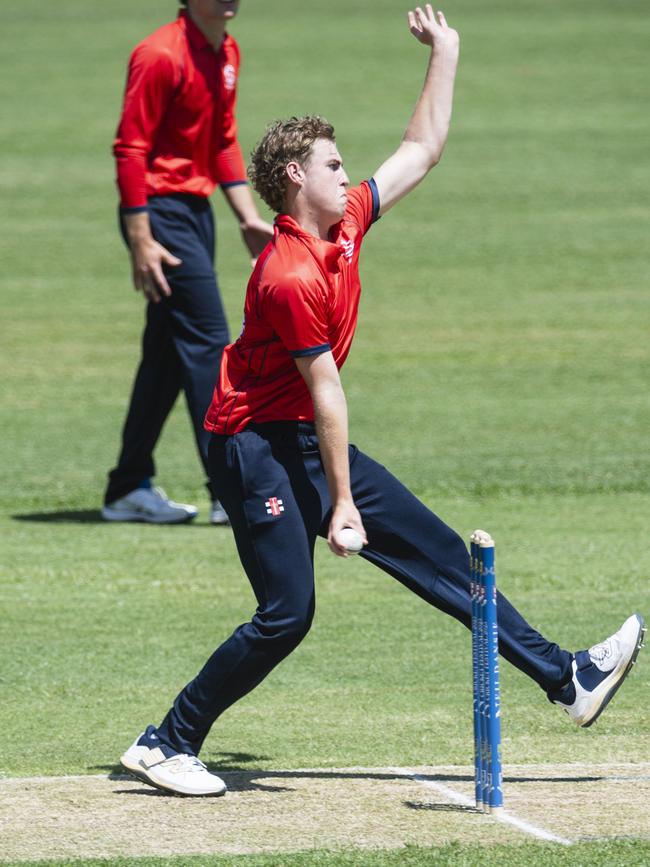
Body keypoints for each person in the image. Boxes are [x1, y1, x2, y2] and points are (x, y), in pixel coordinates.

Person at [120, 6, 645, 796]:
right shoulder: (291, 272)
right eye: (333, 165)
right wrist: (342, 504)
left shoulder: (348, 226)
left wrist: (449, 49)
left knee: (439, 555)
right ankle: (166, 740)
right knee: (287, 613)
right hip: (251, 443)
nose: (347, 174)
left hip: (299, 432)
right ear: (295, 179)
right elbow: (324, 390)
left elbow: (422, 148)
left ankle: (566, 679)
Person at [102, 0, 272, 526]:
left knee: (168, 355)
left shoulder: (226, 49)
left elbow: (221, 139)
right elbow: (130, 148)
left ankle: (127, 487)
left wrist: (246, 218)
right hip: (158, 213)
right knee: (208, 345)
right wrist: (140, 238)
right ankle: (229, 489)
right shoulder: (158, 54)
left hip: (193, 211)